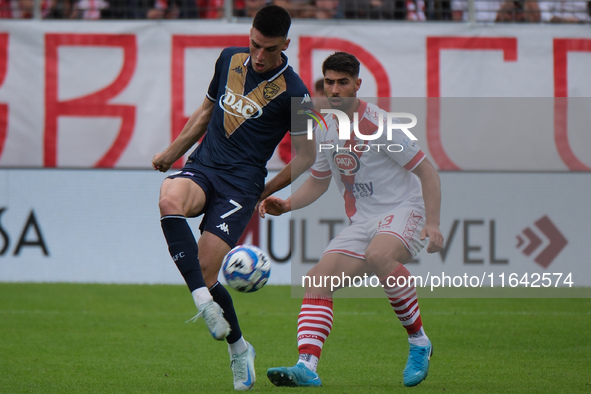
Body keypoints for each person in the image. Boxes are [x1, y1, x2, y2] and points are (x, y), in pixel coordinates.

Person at [151, 4, 316, 391]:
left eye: (270, 49)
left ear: (286, 45)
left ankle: (239, 348)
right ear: (250, 35)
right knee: (168, 200)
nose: (260, 56)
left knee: (207, 272)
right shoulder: (228, 59)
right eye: (255, 45)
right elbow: (207, 110)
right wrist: (171, 152)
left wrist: (266, 191)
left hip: (241, 187)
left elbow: (307, 155)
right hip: (204, 166)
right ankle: (204, 307)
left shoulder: (298, 93)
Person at [259, 52, 444, 388]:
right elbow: (318, 181)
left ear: (357, 85)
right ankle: (307, 366)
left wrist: (432, 222)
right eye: (329, 82)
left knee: (379, 255)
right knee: (316, 280)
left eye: (343, 82)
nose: (335, 89)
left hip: (405, 209)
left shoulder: (380, 124)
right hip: (364, 221)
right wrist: (286, 204)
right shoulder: (325, 127)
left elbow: (427, 171)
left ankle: (419, 342)